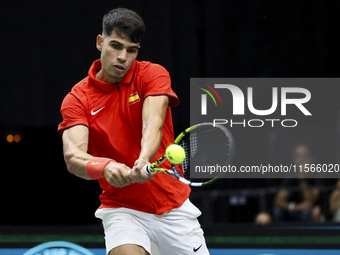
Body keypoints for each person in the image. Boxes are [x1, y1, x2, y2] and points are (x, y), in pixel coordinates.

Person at [58, 8, 209, 255]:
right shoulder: (77, 99)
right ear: (100, 42)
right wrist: (105, 167)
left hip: (173, 207)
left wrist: (143, 158)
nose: (122, 57)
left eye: (131, 50)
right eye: (116, 46)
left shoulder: (152, 74)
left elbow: (153, 122)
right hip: (122, 208)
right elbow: (73, 156)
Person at [273, 143, 321, 222]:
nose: (302, 160)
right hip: (295, 208)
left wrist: (303, 178)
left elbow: (310, 201)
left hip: (309, 211)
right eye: (298, 156)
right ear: (294, 159)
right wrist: (295, 207)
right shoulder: (291, 175)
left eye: (305, 156)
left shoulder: (318, 174)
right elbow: (278, 201)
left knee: (308, 212)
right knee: (278, 211)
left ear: (312, 158)